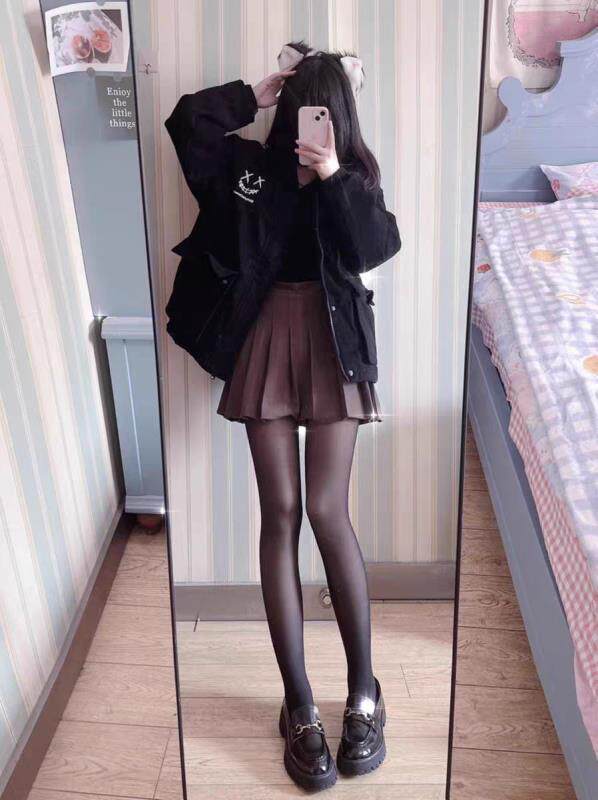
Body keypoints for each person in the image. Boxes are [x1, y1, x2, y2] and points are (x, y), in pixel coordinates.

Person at [164, 40, 400, 792]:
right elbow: (187, 124)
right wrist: (254, 95)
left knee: (328, 511)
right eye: (299, 109)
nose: (308, 123)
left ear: (341, 117)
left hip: (335, 344)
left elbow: (376, 247)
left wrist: (332, 175)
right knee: (282, 513)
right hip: (266, 339)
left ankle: (364, 692)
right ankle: (298, 704)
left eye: (321, 111)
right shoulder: (248, 170)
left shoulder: (354, 176)